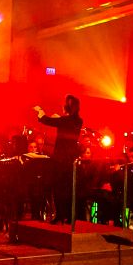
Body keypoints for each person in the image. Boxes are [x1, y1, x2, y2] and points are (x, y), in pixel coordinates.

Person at [35, 94, 83, 224]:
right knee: (68, 188)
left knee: (58, 187)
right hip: (70, 158)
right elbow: (63, 122)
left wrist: (40, 112)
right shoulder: (78, 121)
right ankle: (69, 216)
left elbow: (46, 120)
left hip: (61, 159)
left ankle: (61, 215)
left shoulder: (65, 120)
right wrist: (59, 119)